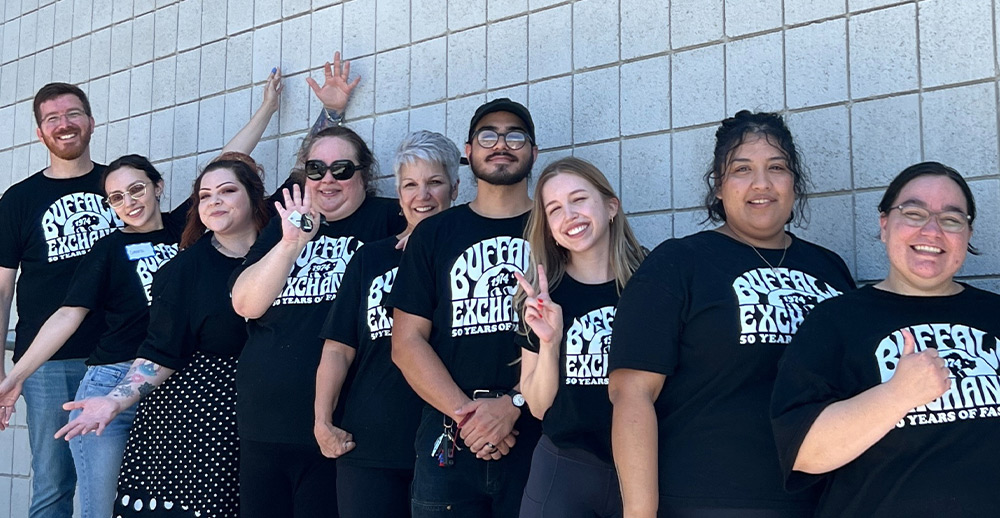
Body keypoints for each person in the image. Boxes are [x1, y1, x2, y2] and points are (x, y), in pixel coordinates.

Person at [0, 71, 283, 518]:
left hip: (170, 384)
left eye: (136, 189)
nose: (129, 202)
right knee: (100, 504)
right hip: (114, 377)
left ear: (158, 187)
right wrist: (14, 378)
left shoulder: (186, 230)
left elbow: (230, 161)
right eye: (116, 198)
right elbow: (67, 316)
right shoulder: (108, 248)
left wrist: (268, 106)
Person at [608, 110, 857, 518]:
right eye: (742, 169)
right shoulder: (679, 263)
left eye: (776, 167)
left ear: (795, 183)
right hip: (706, 502)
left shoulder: (830, 269)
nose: (762, 183)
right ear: (719, 186)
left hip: (822, 502)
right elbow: (631, 393)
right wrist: (639, 512)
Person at [771, 162, 999, 517]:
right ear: (884, 225)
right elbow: (805, 454)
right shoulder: (835, 321)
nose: (932, 230)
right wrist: (898, 395)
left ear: (967, 234)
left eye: (952, 219)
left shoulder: (994, 315)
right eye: (913, 213)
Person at [229, 57, 404, 516]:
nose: (328, 179)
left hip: (342, 427)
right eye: (316, 169)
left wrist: (335, 116)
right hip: (265, 422)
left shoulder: (389, 221)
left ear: (365, 173)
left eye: (343, 170)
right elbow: (245, 304)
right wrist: (289, 244)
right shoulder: (286, 222)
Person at [54, 154, 271, 517]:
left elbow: (315, 180)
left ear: (253, 196)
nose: (214, 200)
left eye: (227, 191)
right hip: (198, 424)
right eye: (204, 196)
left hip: (271, 415)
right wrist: (114, 401)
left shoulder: (284, 250)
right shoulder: (182, 270)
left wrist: (331, 113)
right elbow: (160, 351)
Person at [389, 98, 542, 518]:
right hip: (449, 437)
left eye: (516, 135)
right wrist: (472, 419)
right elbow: (406, 343)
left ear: (533, 151)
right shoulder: (435, 234)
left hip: (539, 436)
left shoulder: (556, 228)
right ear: (469, 151)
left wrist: (511, 405)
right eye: (488, 135)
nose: (502, 144)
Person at [314, 130, 460, 518]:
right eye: (410, 185)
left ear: (456, 189)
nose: (422, 195)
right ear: (398, 194)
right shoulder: (371, 260)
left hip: (449, 443)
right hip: (370, 445)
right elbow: (338, 348)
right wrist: (322, 420)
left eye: (435, 183)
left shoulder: (468, 256)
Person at [0, 82, 120, 518]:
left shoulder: (120, 186)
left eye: (73, 114)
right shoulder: (18, 200)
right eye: (52, 118)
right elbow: (2, 289)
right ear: (40, 132)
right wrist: (3, 369)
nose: (64, 125)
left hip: (119, 358)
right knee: (53, 482)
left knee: (116, 481)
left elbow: (202, 190)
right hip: (48, 363)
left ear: (91, 121)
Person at [513, 157, 645, 518]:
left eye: (579, 199)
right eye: (554, 209)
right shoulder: (542, 298)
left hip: (644, 467)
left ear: (611, 206)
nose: (569, 215)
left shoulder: (654, 283)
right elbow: (538, 407)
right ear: (549, 227)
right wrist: (550, 341)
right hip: (565, 470)